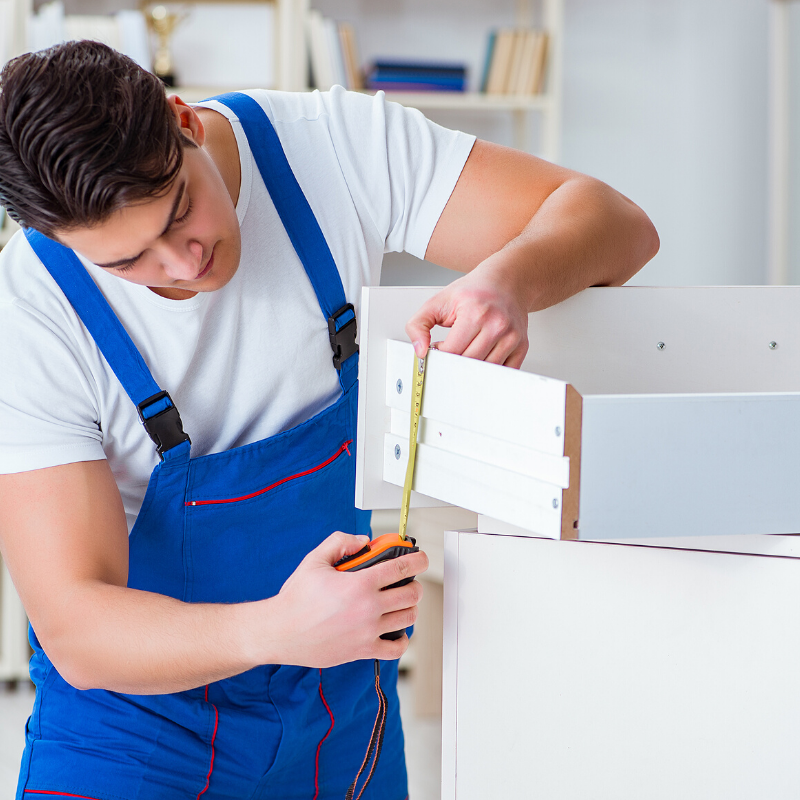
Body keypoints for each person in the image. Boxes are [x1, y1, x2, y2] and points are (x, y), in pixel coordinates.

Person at [0, 41, 658, 800]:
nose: (182, 266)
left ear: (183, 121)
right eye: (127, 264)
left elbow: (618, 224)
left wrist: (508, 280)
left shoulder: (330, 148)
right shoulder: (32, 313)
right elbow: (78, 628)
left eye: (180, 212)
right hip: (134, 732)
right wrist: (274, 630)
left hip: (335, 709)